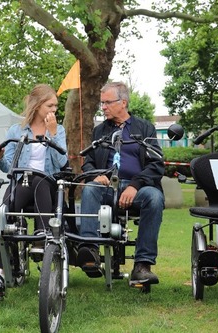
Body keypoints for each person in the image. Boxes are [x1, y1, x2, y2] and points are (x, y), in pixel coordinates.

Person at [0, 83, 68, 295]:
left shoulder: (59, 130)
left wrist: (53, 134)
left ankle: (41, 235)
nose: (54, 110)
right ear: (38, 105)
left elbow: (61, 162)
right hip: (23, 182)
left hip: (47, 183)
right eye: (50, 105)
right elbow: (10, 168)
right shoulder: (17, 130)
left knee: (39, 180)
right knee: (4, 213)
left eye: (55, 106)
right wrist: (0, 157)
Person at [78, 82, 165, 284]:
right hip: (106, 188)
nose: (104, 107)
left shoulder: (145, 128)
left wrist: (135, 185)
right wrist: (94, 175)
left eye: (108, 102)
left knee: (154, 197)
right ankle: (89, 251)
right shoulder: (99, 131)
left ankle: (142, 265)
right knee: (90, 188)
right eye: (102, 103)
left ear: (123, 102)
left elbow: (156, 164)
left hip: (138, 189)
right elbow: (88, 162)